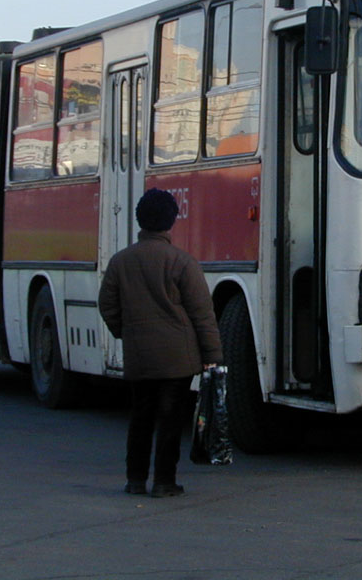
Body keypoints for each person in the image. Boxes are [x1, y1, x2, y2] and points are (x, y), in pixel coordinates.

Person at [98, 188, 223, 497]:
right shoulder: (182, 262)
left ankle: (135, 480)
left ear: (140, 221)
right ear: (171, 222)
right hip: (178, 358)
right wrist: (212, 356)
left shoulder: (120, 262)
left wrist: (126, 332)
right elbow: (202, 314)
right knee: (169, 419)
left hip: (140, 355)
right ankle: (164, 482)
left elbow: (107, 305)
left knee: (141, 416)